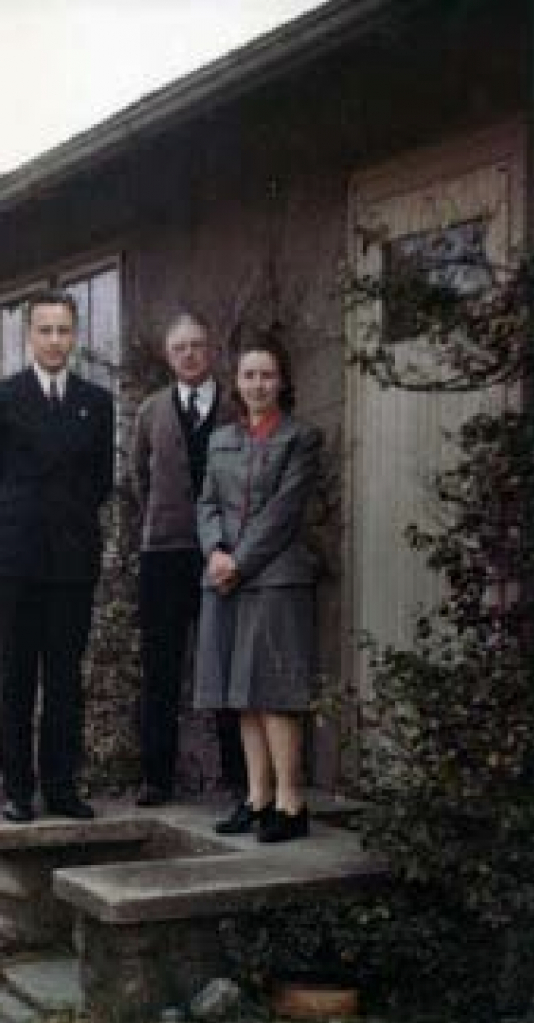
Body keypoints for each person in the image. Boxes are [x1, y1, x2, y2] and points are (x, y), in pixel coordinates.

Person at [0, 289, 115, 822]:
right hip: (15, 562)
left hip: (71, 562)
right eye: (45, 330)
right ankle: (18, 791)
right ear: (28, 335)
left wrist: (65, 525)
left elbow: (100, 480)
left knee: (64, 679)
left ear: (75, 336)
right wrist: (22, 522)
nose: (55, 340)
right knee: (16, 678)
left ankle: (61, 786)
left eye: (63, 330)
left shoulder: (95, 403)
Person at [194, 328, 322, 842]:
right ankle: (257, 797)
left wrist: (239, 561)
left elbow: (283, 512)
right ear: (237, 381)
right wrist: (214, 552)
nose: (258, 384)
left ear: (283, 381)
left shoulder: (301, 438)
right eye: (249, 375)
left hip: (276, 579)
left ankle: (291, 804)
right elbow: (206, 503)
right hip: (224, 577)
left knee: (275, 692)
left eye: (267, 375)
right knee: (241, 692)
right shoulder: (220, 440)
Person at [131, 310, 245, 807]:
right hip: (164, 555)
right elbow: (139, 476)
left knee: (227, 664)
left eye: (197, 345)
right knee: (161, 668)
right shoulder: (151, 412)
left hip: (223, 555)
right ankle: (157, 779)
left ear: (211, 349)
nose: (189, 355)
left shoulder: (234, 408)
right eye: (180, 348)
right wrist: (164, 520)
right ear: (168, 355)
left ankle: (239, 778)